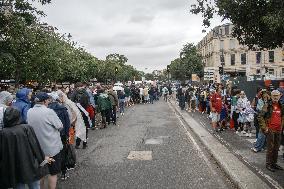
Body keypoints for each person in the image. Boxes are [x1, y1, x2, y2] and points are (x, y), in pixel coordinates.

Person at [0, 107, 49, 189]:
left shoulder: (3, 133)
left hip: (13, 165)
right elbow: (35, 145)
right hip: (29, 162)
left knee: (19, 185)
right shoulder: (26, 128)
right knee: (34, 185)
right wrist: (42, 161)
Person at [27, 92, 63, 189]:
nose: (49, 102)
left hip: (37, 149)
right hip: (51, 148)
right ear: (45, 101)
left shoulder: (29, 111)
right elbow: (60, 126)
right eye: (48, 100)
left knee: (41, 173)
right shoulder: (49, 112)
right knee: (53, 172)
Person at [258, 90, 284, 172]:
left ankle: (274, 163)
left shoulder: (281, 106)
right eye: (274, 95)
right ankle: (268, 164)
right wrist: (265, 128)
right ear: (271, 96)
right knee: (270, 148)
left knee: (276, 148)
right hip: (270, 130)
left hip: (279, 130)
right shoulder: (267, 105)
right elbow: (260, 117)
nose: (276, 97)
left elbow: (282, 117)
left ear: (280, 96)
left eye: (277, 95)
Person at [48, 92, 71, 180]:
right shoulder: (62, 108)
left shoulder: (47, 109)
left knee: (51, 153)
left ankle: (52, 171)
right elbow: (67, 123)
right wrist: (67, 134)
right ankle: (63, 172)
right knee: (63, 152)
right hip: (62, 134)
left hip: (51, 135)